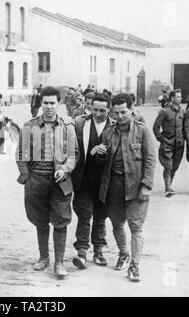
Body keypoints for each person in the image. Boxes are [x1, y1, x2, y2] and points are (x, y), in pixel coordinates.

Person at [16, 86, 79, 279]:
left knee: (60, 221)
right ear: (40, 103)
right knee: (40, 221)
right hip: (37, 181)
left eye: (53, 103)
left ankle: (59, 263)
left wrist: (65, 169)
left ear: (58, 104)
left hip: (61, 182)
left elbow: (74, 154)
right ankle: (44, 257)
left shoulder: (68, 127)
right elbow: (21, 154)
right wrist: (27, 176)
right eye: (46, 103)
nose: (49, 107)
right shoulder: (29, 126)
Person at [95, 93, 155, 282]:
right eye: (116, 112)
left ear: (131, 109)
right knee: (117, 222)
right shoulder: (108, 132)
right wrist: (100, 153)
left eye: (123, 112)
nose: (120, 116)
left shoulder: (142, 131)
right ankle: (123, 253)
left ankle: (135, 266)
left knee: (136, 226)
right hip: (114, 185)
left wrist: (146, 185)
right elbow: (102, 162)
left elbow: (151, 160)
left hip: (136, 186)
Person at [71, 92, 114, 269]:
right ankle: (81, 252)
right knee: (84, 216)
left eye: (102, 110)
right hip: (83, 180)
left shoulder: (115, 127)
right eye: (94, 109)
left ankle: (99, 251)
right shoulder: (80, 123)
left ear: (109, 109)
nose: (97, 114)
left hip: (105, 182)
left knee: (101, 217)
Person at [153, 89, 185, 197]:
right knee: (168, 166)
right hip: (167, 143)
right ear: (172, 98)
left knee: (175, 166)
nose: (180, 98)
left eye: (181, 97)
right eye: (178, 97)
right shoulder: (164, 111)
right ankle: (168, 188)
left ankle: (169, 186)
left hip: (179, 144)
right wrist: (160, 138)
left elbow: (185, 127)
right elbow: (156, 126)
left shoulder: (182, 111)